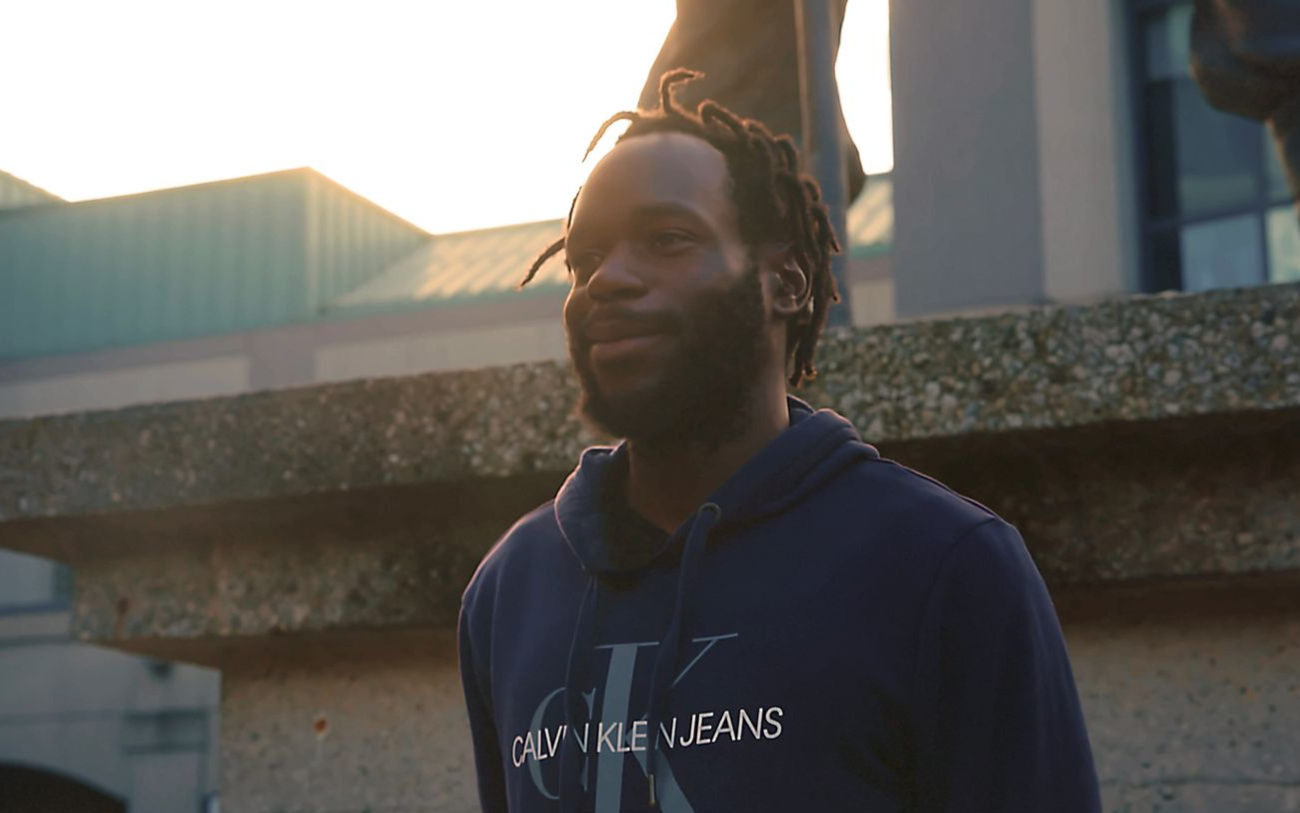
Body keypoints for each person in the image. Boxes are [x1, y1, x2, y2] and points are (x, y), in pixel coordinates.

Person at [457, 69, 1101, 813]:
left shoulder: (943, 564)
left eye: (667, 239)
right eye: (585, 260)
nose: (608, 280)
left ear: (787, 284)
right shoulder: (512, 587)